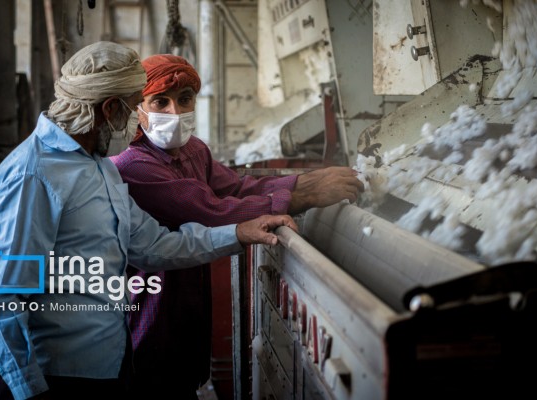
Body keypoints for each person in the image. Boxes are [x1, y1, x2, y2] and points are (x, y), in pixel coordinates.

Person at [0, 42, 297, 400]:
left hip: (110, 367)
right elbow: (0, 295)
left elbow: (153, 244)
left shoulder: (98, 167)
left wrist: (238, 232)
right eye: (132, 108)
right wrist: (27, 389)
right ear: (110, 109)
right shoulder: (34, 176)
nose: (136, 122)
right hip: (57, 380)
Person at [110, 54, 364, 398]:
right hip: (154, 306)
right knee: (154, 379)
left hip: (189, 302)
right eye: (160, 101)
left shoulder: (194, 151)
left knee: (183, 378)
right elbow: (211, 211)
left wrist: (300, 183)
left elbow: (237, 188)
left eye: (184, 99)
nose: (174, 112)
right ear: (138, 109)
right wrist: (306, 194)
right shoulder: (134, 168)